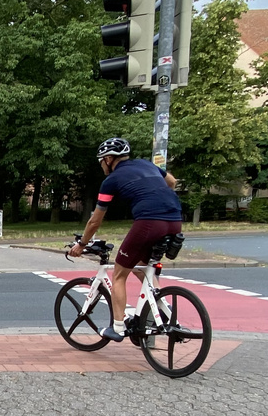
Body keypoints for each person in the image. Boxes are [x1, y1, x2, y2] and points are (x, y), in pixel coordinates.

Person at [68, 138, 184, 341]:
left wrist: (82, 244)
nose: (101, 165)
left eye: (101, 161)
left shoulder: (111, 180)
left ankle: (118, 326)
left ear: (109, 159)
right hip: (175, 219)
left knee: (119, 275)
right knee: (142, 265)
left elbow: (95, 221)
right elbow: (172, 182)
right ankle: (161, 309)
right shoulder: (147, 164)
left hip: (149, 221)